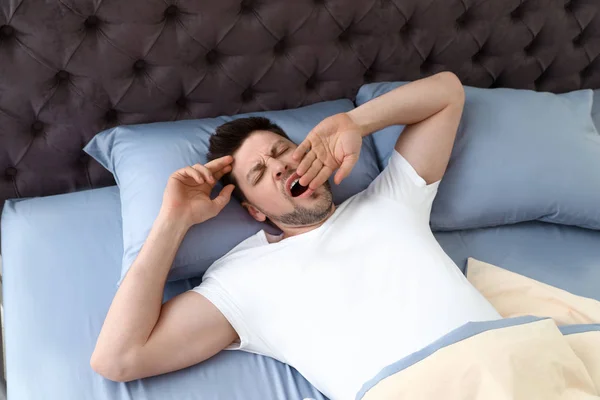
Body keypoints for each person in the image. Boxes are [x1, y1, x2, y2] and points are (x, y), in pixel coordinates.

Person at [91, 72, 501, 400]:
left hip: (511, 361)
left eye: (283, 150)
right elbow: (118, 358)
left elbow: (447, 91)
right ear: (255, 210)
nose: (280, 167)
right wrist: (173, 220)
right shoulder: (241, 279)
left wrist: (354, 122)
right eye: (259, 173)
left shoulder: (391, 200)